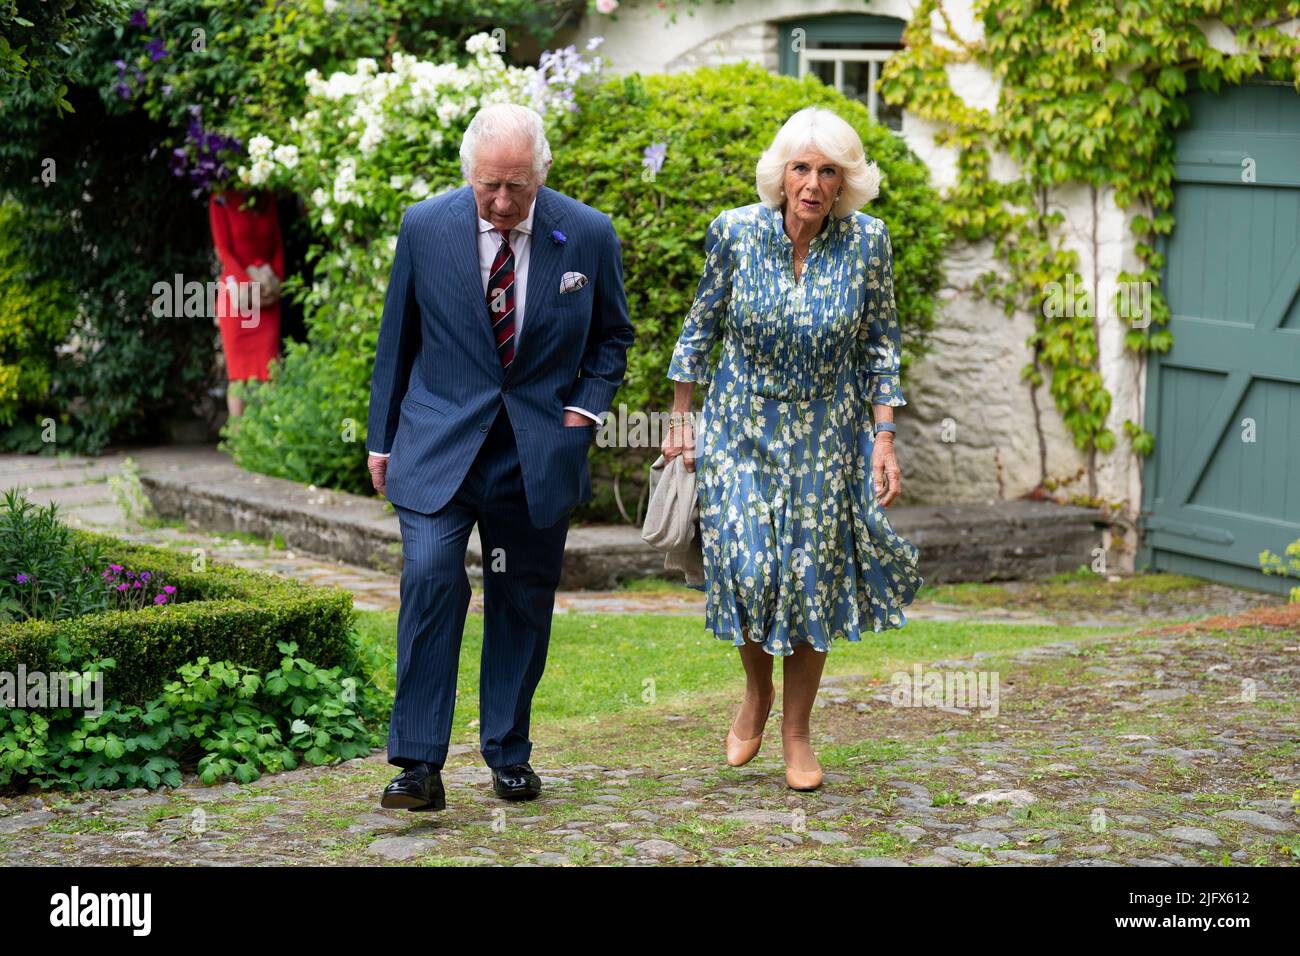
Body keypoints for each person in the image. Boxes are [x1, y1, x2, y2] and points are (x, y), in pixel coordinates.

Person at [367, 103, 634, 811]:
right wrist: (379, 438)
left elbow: (614, 338)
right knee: (430, 581)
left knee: (520, 600)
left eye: (518, 186)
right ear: (469, 175)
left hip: (537, 452)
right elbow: (399, 338)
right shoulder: (425, 226)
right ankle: (418, 766)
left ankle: (508, 754)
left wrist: (585, 409)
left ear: (542, 173)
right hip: (436, 447)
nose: (504, 202)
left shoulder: (587, 233)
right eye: (490, 186)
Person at [662, 106, 924, 792]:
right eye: (801, 167)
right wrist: (681, 417)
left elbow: (881, 345)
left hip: (827, 434)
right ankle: (757, 690)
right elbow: (700, 327)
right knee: (749, 570)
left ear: (846, 183)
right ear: (782, 174)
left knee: (810, 584)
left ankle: (798, 732)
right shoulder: (736, 232)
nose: (811, 183)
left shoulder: (869, 242)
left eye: (828, 171)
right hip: (739, 429)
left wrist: (884, 437)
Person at [209, 188, 284, 418]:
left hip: (267, 296)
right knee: (238, 375)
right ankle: (240, 444)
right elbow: (223, 249)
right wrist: (246, 284)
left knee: (270, 370)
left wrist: (277, 282)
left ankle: (269, 437)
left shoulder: (265, 197)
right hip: (236, 295)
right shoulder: (220, 199)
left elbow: (278, 245)